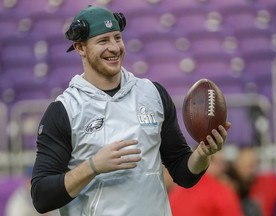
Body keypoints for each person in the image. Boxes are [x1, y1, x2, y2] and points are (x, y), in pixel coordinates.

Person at [30, 5, 231, 216]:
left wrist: (202, 154)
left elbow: (182, 173)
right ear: (80, 48)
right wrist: (93, 166)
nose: (115, 47)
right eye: (103, 41)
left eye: (117, 37)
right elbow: (42, 197)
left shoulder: (153, 94)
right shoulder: (64, 110)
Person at [169, 151, 244, 216]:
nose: (223, 168)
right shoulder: (222, 192)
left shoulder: (176, 190)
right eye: (221, 163)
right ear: (210, 161)